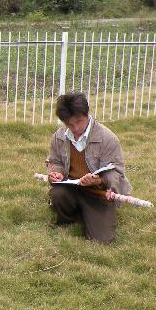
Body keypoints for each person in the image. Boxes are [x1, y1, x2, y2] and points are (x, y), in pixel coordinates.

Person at [45, 92, 131, 244]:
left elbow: (116, 171)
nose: (75, 128)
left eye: (79, 121)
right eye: (69, 124)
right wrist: (56, 173)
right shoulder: (59, 137)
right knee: (58, 194)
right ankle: (72, 216)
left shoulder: (107, 138)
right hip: (71, 188)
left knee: (102, 240)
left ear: (87, 114)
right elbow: (55, 161)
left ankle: (89, 213)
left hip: (99, 194)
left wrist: (99, 180)